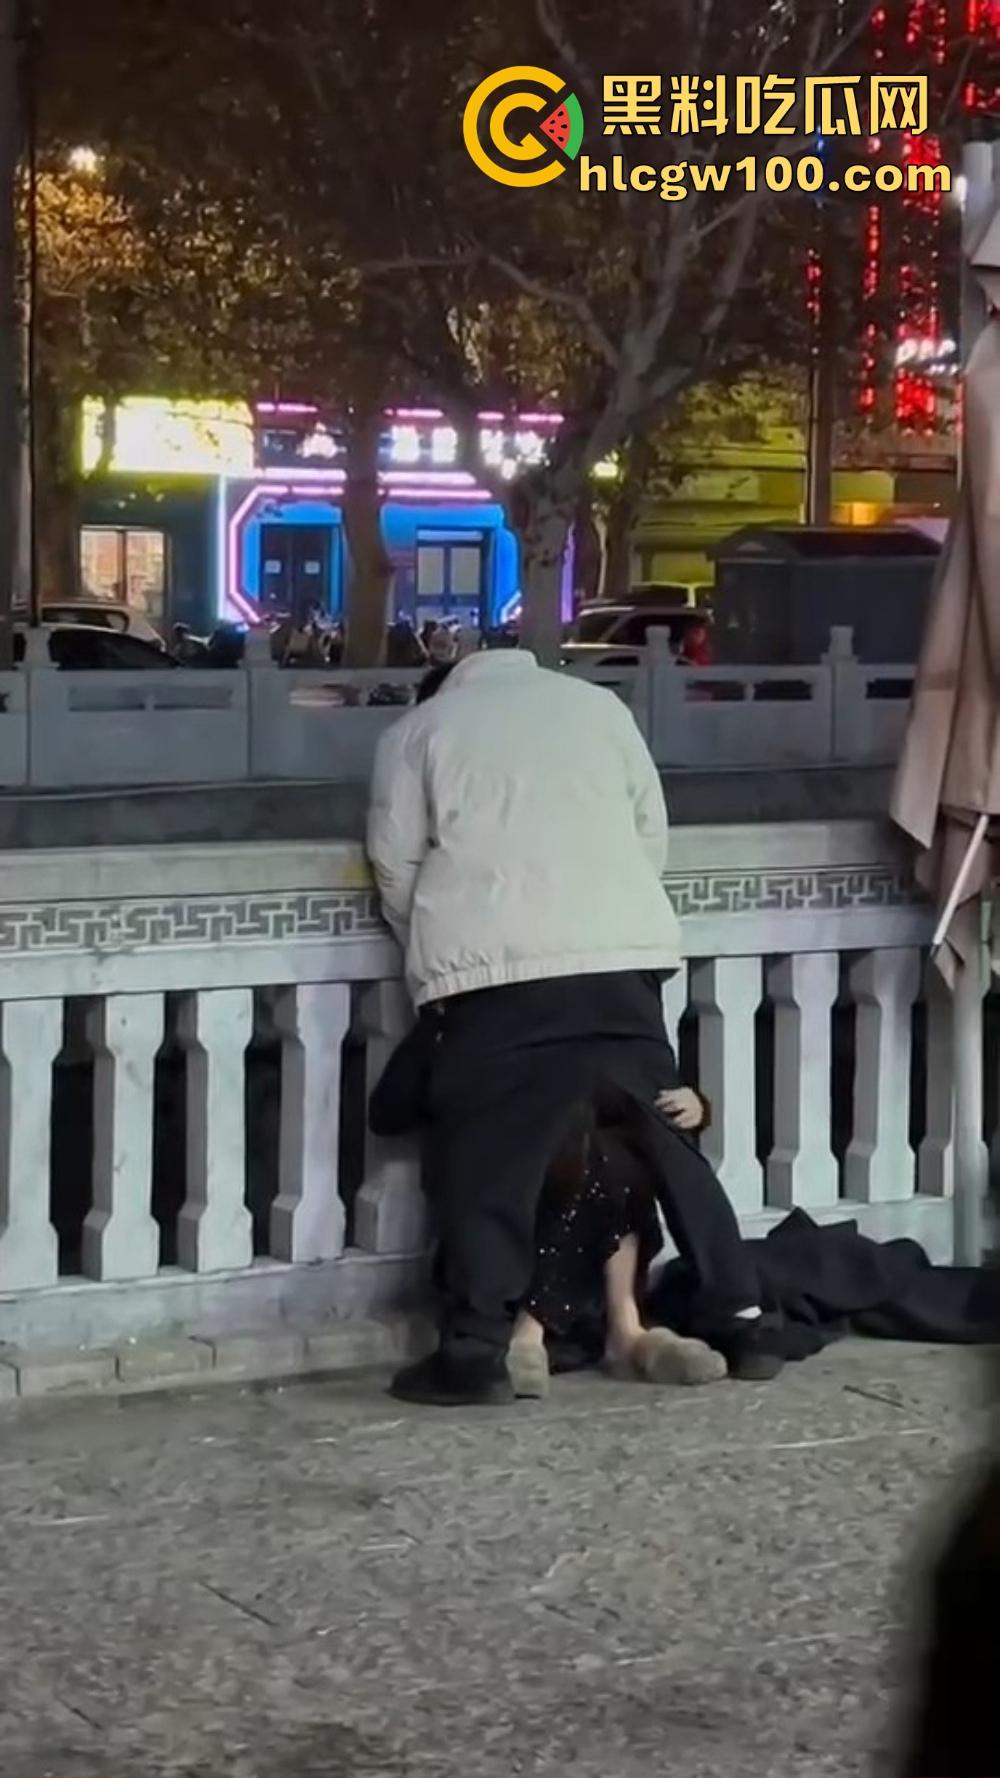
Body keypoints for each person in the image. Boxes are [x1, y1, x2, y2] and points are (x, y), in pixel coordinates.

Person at [367, 646, 780, 1406]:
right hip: (624, 965)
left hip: (495, 980)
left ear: (439, 687)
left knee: (490, 1161)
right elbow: (649, 831)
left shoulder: (420, 730)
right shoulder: (602, 708)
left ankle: (476, 1348)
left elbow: (396, 867)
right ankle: (744, 1318)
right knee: (664, 1138)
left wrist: (440, 949)